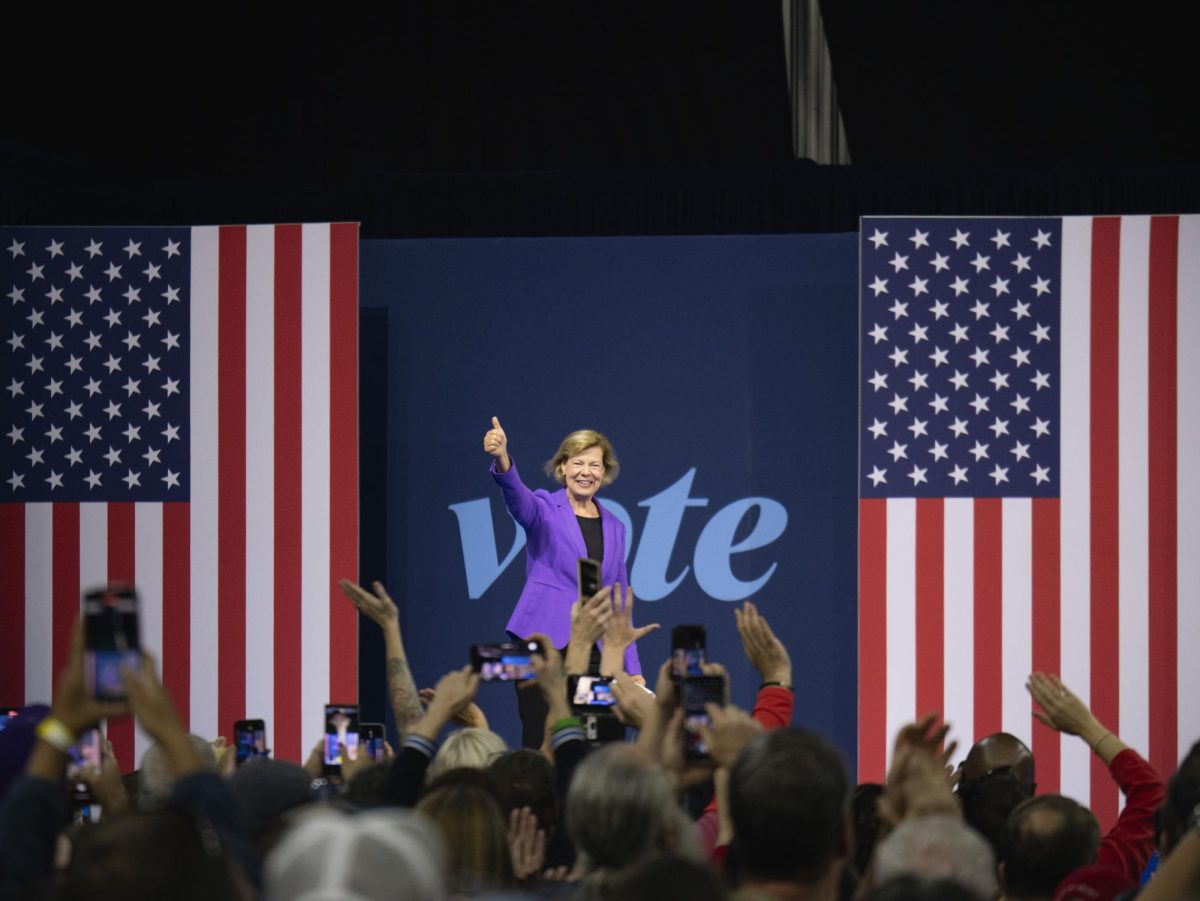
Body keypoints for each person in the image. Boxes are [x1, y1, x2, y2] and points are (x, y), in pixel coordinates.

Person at [483, 417, 643, 745]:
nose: (586, 472)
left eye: (595, 465)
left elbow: (619, 602)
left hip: (596, 650)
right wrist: (502, 458)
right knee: (541, 735)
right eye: (578, 463)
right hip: (542, 645)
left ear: (605, 471)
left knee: (600, 737)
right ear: (563, 467)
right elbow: (517, 498)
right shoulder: (544, 508)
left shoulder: (616, 526)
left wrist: (632, 666)